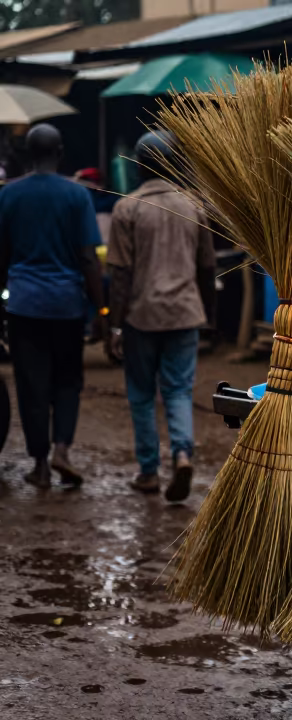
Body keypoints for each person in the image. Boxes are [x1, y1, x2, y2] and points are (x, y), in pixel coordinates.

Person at [106, 131, 215, 502]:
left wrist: (115, 325)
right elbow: (207, 266)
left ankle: (149, 471)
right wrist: (208, 315)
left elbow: (119, 274)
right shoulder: (192, 206)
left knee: (140, 395)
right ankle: (182, 453)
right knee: (178, 390)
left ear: (138, 167)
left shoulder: (128, 208)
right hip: (185, 314)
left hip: (141, 316)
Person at [0, 124, 105, 488]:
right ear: (60, 152)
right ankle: (62, 449)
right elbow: (89, 258)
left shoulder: (9, 196)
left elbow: (1, 257)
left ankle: (41, 465)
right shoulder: (77, 196)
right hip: (67, 306)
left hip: (24, 305)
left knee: (31, 385)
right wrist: (102, 311)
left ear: (28, 154)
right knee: (68, 381)